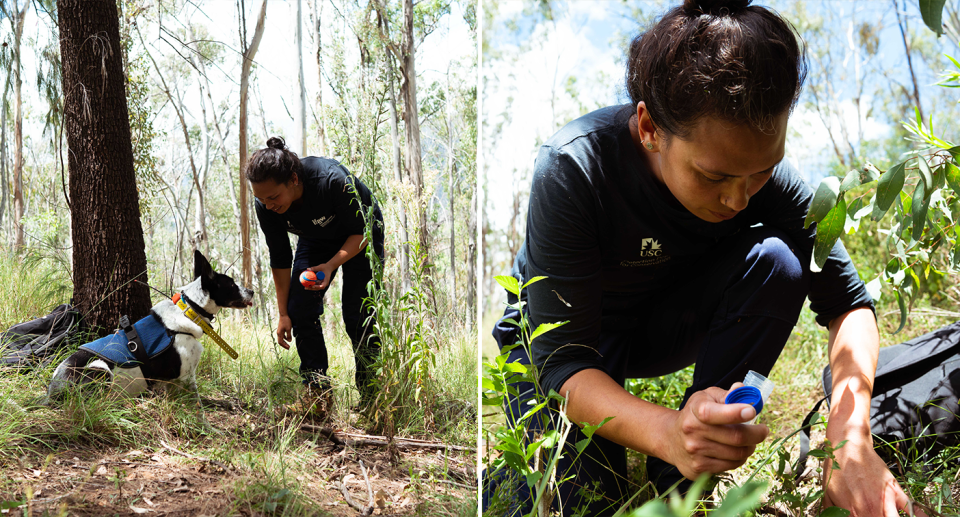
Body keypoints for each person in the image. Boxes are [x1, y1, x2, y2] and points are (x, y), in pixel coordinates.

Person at [486, 1, 925, 516]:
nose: (740, 199)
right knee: (571, 503)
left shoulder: (762, 180)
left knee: (780, 261)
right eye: (714, 177)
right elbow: (563, 362)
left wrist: (850, 440)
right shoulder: (574, 169)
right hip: (559, 349)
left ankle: (680, 475)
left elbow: (849, 305)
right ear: (649, 127)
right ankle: (666, 447)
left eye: (762, 172)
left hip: (656, 325)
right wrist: (666, 430)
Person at [247, 137, 384, 412]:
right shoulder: (265, 205)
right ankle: (317, 395)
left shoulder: (332, 180)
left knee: (358, 314)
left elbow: (363, 231)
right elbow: (281, 258)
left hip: (361, 234)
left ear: (294, 179)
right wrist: (284, 313)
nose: (268, 205)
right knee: (300, 310)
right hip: (316, 238)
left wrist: (331, 265)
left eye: (273, 197)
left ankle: (371, 399)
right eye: (261, 199)